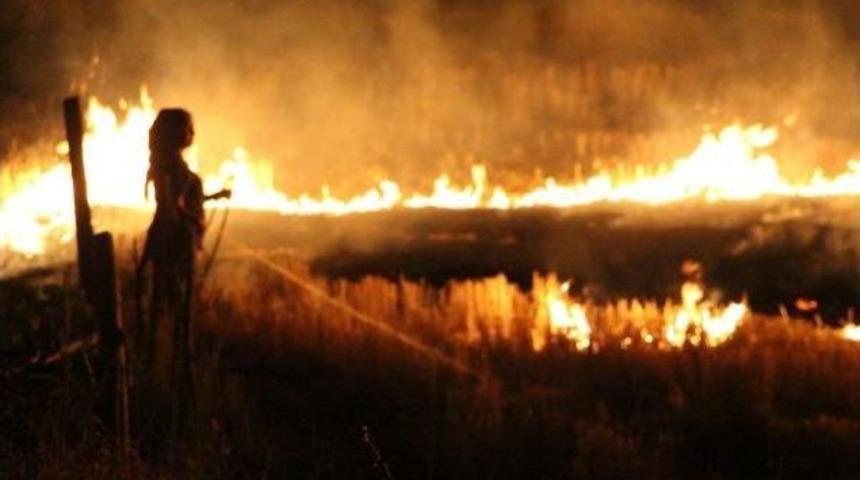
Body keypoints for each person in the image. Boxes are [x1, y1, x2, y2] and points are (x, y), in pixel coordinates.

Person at [136, 108, 229, 446]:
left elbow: (177, 200)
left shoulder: (165, 162)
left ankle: (166, 372)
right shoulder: (171, 165)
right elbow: (173, 206)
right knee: (176, 311)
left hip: (168, 241)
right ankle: (176, 386)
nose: (193, 132)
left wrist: (212, 197)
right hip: (175, 244)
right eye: (189, 127)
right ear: (177, 132)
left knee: (167, 308)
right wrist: (196, 221)